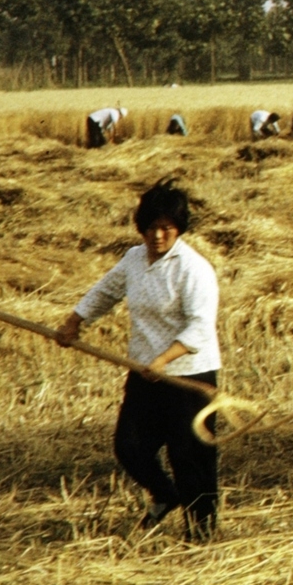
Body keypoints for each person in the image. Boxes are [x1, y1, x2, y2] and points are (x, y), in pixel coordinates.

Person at [56, 180, 222, 539]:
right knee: (130, 446)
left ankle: (201, 532)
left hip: (189, 377)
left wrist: (164, 360)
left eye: (166, 228)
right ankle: (164, 495)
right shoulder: (134, 259)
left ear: (179, 229)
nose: (157, 235)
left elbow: (200, 326)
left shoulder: (194, 269)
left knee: (189, 457)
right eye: (150, 228)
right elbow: (106, 292)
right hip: (144, 371)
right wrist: (74, 322)